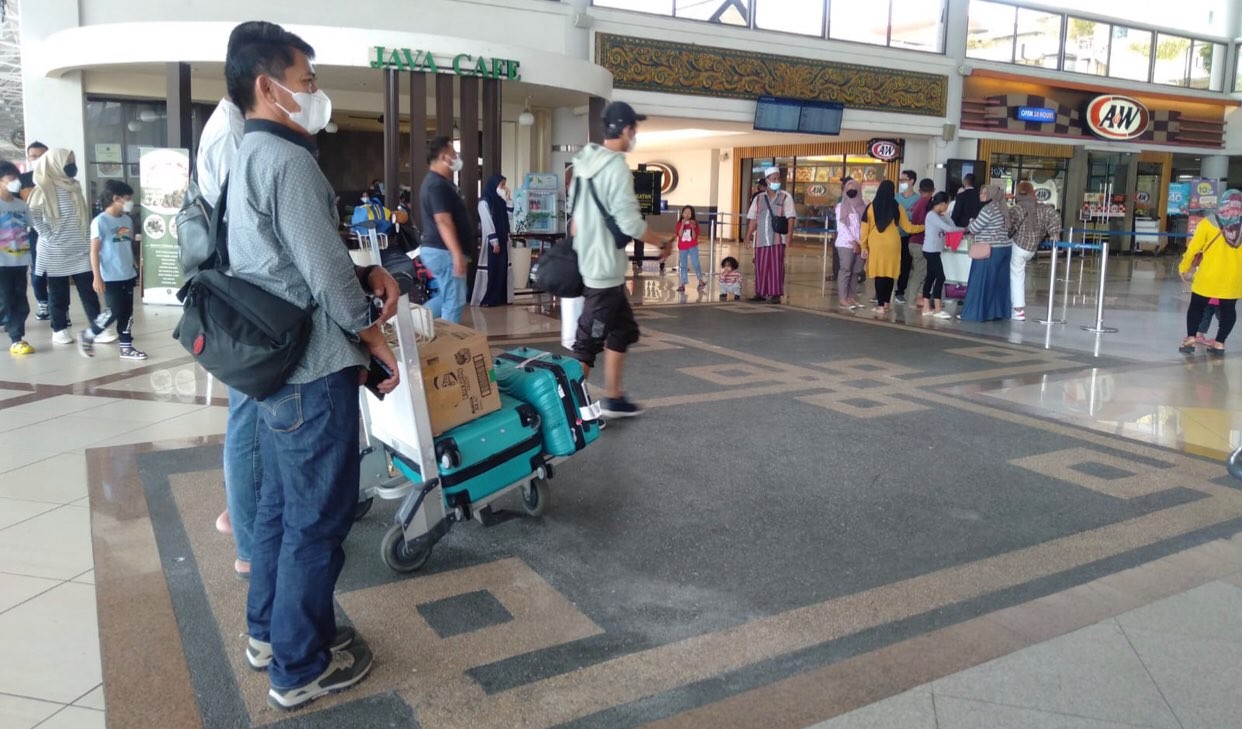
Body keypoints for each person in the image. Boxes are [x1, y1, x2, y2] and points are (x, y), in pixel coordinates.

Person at [223, 20, 401, 709]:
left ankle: (267, 631)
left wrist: (367, 271)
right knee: (316, 522)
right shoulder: (291, 162)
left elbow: (292, 254)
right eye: (307, 81)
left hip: (274, 365)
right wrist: (371, 335)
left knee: (276, 508)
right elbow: (325, 272)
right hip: (312, 366)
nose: (316, 93)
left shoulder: (246, 153)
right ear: (269, 87)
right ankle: (298, 667)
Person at [569, 101, 672, 418]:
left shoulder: (583, 163)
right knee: (587, 344)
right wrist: (661, 242)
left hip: (597, 264)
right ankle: (565, 409)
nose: (635, 135)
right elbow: (630, 223)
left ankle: (614, 397)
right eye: (634, 130)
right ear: (626, 129)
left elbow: (573, 220)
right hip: (603, 271)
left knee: (622, 330)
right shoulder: (615, 168)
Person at [27, 149, 103, 346]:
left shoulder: (74, 186)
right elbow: (33, 216)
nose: (71, 164)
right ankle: (59, 329)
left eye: (72, 160)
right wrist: (49, 236)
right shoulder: (43, 187)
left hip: (79, 248)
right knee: (58, 293)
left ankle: (98, 328)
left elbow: (82, 216)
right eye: (67, 161)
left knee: (89, 291)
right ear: (55, 164)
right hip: (55, 251)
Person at [78, 180, 145, 360]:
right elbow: (94, 251)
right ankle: (89, 334)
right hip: (110, 275)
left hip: (127, 274)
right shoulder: (100, 222)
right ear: (116, 199)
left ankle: (126, 346)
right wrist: (96, 277)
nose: (130, 202)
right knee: (114, 309)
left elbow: (125, 244)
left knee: (127, 312)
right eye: (127, 199)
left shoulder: (126, 220)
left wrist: (134, 262)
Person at [1178, 189, 1242, 355]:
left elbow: (1193, 249)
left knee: (1196, 307)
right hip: (1233, 279)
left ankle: (1191, 338)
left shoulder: (1208, 223)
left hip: (1207, 277)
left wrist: (1183, 268)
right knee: (1229, 310)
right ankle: (1220, 343)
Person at [420, 135, 472, 324]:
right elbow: (442, 220)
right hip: (444, 251)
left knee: (449, 296)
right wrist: (456, 253)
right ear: (444, 157)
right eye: (453, 153)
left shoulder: (439, 183)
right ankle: (448, 348)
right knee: (454, 302)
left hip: (440, 251)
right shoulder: (436, 185)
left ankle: (414, 321)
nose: (456, 156)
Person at [860, 180, 922, 314]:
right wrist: (925, 227)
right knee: (889, 273)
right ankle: (887, 304)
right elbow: (908, 227)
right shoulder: (897, 206)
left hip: (876, 242)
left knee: (879, 273)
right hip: (893, 242)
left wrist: (863, 246)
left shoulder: (871, 207)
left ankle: (880, 306)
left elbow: (864, 229)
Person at [962, 184, 1020, 322]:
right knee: (998, 283)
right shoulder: (1003, 208)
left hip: (990, 250)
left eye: (984, 193)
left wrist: (971, 222)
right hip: (1005, 249)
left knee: (981, 282)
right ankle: (996, 312)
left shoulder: (988, 209)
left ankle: (976, 313)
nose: (981, 196)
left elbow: (975, 228)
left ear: (991, 195)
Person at [1010, 180, 1062, 321]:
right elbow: (1055, 217)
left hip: (1018, 247)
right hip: (1032, 249)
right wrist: (1054, 233)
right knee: (1020, 275)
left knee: (1016, 276)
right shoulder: (1042, 208)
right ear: (1033, 193)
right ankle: (1017, 309)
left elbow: (1008, 226)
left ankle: (1018, 310)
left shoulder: (1016, 209)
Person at [746, 166, 796, 304]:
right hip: (761, 239)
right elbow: (753, 218)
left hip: (778, 239)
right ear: (767, 181)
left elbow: (791, 217)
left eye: (778, 178)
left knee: (776, 266)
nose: (777, 181)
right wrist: (748, 236)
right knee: (760, 265)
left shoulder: (786, 197)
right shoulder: (759, 199)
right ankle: (760, 292)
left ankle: (775, 294)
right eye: (774, 179)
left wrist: (790, 236)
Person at [0, 161, 34, 355]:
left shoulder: (21, 205)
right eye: (11, 179)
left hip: (20, 260)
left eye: (16, 178)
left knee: (19, 298)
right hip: (1, 262)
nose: (16, 183)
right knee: (6, 299)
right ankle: (15, 336)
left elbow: (31, 226)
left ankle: (16, 336)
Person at [19, 143, 49, 321]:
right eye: (33, 156)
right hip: (33, 231)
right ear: (29, 158)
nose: (37, 159)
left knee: (57, 271)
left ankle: (58, 307)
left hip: (56, 231)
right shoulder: (22, 180)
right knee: (38, 269)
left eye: (41, 155)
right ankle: (43, 304)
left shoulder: (57, 179)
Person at [473, 173, 512, 307]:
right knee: (492, 269)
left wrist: (508, 199)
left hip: (503, 238)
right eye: (501, 185)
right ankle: (488, 298)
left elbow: (510, 216)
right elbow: (487, 222)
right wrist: (494, 241)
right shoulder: (484, 202)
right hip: (493, 241)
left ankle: (500, 298)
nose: (503, 187)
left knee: (501, 269)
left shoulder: (500, 200)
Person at [920, 192, 961, 320]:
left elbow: (951, 226)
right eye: (946, 205)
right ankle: (937, 308)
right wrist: (964, 229)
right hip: (930, 250)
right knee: (940, 276)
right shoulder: (931, 216)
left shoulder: (939, 215)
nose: (947, 207)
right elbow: (949, 229)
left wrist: (947, 216)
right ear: (942, 203)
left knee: (931, 277)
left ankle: (926, 307)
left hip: (935, 250)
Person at [835, 179, 866, 309]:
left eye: (853, 188)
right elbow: (841, 226)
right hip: (846, 243)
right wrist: (853, 242)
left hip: (861, 243)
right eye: (848, 189)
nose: (850, 191)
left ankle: (850, 297)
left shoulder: (863, 206)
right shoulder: (841, 207)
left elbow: (864, 226)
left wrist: (863, 243)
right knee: (846, 269)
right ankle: (843, 298)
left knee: (856, 271)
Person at [907, 178, 935, 309]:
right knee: (919, 273)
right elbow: (928, 223)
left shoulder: (917, 202)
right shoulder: (927, 204)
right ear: (932, 191)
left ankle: (918, 298)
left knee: (922, 271)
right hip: (920, 242)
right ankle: (912, 300)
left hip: (913, 241)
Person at [894, 169, 920, 304]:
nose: (902, 183)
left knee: (905, 264)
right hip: (893, 235)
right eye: (901, 180)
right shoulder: (896, 197)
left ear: (912, 181)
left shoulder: (918, 199)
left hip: (908, 236)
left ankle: (900, 291)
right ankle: (881, 291)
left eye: (904, 180)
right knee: (890, 263)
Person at [675, 205, 705, 293]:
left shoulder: (694, 223)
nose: (687, 214)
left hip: (692, 246)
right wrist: (683, 224)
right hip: (682, 247)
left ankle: (700, 281)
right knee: (683, 265)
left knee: (696, 263)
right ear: (682, 214)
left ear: (692, 214)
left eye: (689, 213)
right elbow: (680, 235)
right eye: (685, 212)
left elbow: (694, 237)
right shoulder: (679, 223)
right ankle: (682, 284)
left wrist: (692, 227)